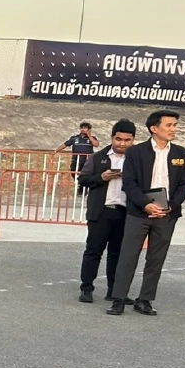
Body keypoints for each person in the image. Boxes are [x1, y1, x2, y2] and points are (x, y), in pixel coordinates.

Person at [107, 110, 185, 316]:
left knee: (156, 258)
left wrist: (171, 205)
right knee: (128, 256)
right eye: (169, 125)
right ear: (154, 129)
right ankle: (118, 298)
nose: (174, 129)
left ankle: (145, 300)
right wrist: (145, 204)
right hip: (139, 212)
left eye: (175, 125)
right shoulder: (136, 152)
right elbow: (129, 182)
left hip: (166, 214)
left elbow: (184, 183)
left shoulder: (180, 153)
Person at [76, 120, 135, 304]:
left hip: (125, 213)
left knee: (117, 254)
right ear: (112, 137)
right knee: (93, 251)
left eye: (127, 140)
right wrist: (101, 178)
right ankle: (86, 288)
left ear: (133, 140)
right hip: (101, 212)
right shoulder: (98, 157)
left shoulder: (137, 159)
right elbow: (83, 179)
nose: (122, 143)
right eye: (118, 139)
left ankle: (115, 291)